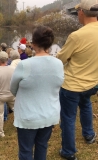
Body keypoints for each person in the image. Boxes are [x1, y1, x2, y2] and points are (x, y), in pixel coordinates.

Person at [10, 25, 64, 160]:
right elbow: (58, 84)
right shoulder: (58, 64)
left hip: (28, 116)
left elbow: (13, 89)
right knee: (42, 146)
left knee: (26, 151)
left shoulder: (24, 65)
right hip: (49, 114)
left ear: (33, 44)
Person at [57, 1, 98, 159]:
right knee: (86, 104)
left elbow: (61, 58)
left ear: (82, 12)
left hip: (72, 86)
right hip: (92, 83)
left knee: (68, 117)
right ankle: (89, 135)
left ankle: (68, 151)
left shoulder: (76, 35)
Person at [0, 51, 15, 138]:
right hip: (11, 94)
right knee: (17, 110)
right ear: (7, 59)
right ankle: (21, 125)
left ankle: (0, 132)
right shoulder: (13, 70)